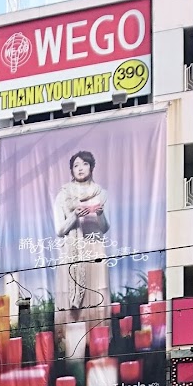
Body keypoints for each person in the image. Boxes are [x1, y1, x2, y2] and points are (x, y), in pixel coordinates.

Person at [53, 149, 111, 355]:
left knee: (96, 297)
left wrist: (101, 214)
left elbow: (104, 227)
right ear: (71, 170)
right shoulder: (63, 195)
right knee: (71, 305)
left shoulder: (101, 193)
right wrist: (74, 216)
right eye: (76, 165)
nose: (80, 168)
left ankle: (98, 349)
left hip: (94, 250)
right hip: (71, 253)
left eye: (84, 164)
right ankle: (70, 352)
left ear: (91, 167)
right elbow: (60, 229)